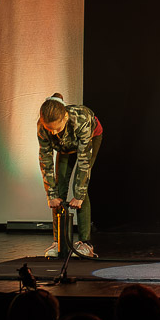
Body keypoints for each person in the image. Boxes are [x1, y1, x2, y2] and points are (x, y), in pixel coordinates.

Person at [37, 93, 103, 258]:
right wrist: (51, 195)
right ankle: (59, 241)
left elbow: (84, 162)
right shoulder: (43, 127)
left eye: (56, 128)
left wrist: (79, 196)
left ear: (65, 117)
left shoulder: (82, 119)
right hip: (65, 146)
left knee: (80, 188)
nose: (53, 132)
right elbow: (45, 160)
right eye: (49, 129)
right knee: (59, 189)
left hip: (90, 139)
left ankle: (85, 243)